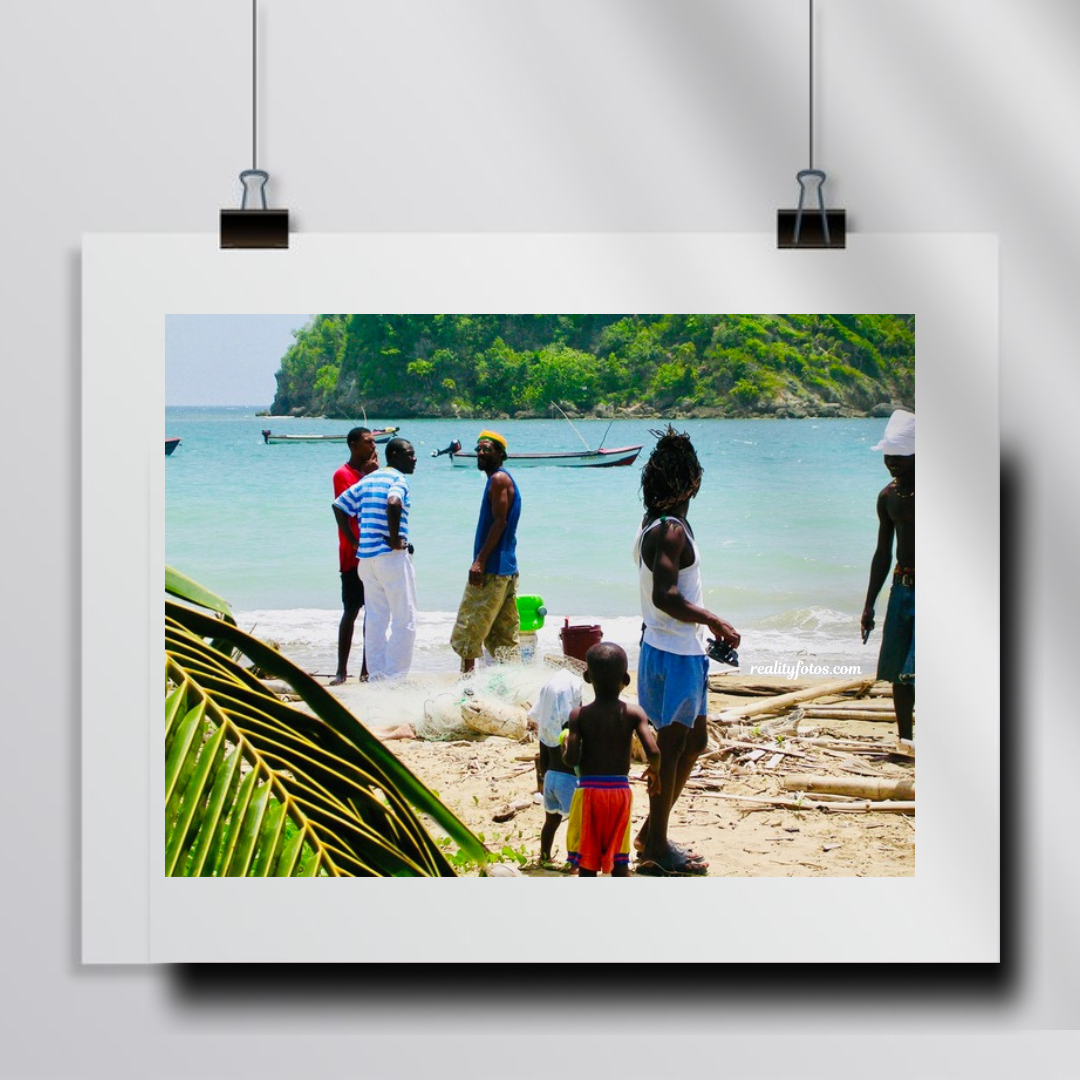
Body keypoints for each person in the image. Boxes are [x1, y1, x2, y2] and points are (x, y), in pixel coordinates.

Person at [632, 426, 740, 876]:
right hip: (673, 652)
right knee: (672, 749)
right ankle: (657, 845)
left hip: (672, 649)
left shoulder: (655, 525)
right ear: (693, 481)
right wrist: (714, 619)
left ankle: (650, 832)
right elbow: (666, 595)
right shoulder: (671, 530)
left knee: (693, 741)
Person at [561, 643, 661, 878]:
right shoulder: (635, 713)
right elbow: (654, 752)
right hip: (619, 792)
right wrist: (654, 772)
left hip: (588, 793)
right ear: (626, 678)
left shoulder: (579, 715)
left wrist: (566, 747)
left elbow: (571, 759)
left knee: (587, 860)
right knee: (619, 858)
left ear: (587, 677)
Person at [332, 438, 418, 680]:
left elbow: (339, 506)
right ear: (395, 456)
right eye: (410, 454)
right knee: (405, 617)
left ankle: (377, 676)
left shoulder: (367, 479)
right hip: (390, 557)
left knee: (377, 619)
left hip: (366, 561)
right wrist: (393, 538)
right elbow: (393, 501)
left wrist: (352, 540)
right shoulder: (398, 479)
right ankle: (395, 677)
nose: (414, 459)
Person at [861, 409, 915, 754]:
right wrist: (869, 604)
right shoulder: (888, 497)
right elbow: (883, 553)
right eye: (888, 458)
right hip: (902, 587)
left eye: (899, 459)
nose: (892, 464)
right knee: (897, 668)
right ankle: (905, 738)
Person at [450, 430, 521, 674]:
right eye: (479, 449)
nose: (480, 453)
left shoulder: (499, 479)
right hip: (506, 568)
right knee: (503, 636)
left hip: (492, 568)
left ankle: (467, 689)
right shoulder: (500, 479)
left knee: (469, 630)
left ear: (500, 454)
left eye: (487, 450)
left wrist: (479, 561)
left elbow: (499, 522)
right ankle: (511, 685)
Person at [331, 427, 379, 685]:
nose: (372, 446)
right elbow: (349, 508)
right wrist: (368, 476)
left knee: (373, 613)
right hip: (352, 554)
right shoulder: (344, 474)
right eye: (367, 442)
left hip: (373, 552)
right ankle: (341, 670)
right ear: (353, 445)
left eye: (373, 442)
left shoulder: (370, 474)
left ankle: (366, 668)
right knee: (351, 610)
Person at [528, 668, 583, 868]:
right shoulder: (570, 729)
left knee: (551, 822)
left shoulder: (546, 727)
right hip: (568, 780)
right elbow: (575, 758)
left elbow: (542, 757)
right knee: (576, 824)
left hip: (550, 777)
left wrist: (543, 782)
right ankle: (575, 863)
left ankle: (544, 856)